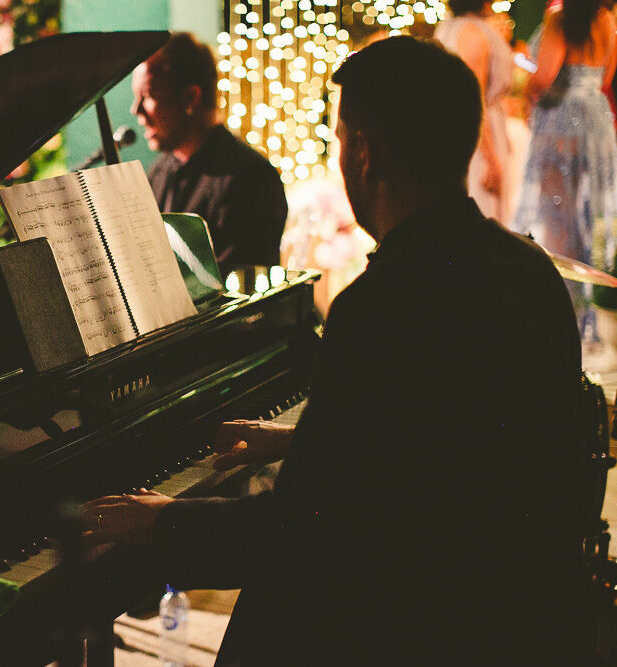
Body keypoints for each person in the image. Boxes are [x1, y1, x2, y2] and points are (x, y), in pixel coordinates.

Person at [85, 36, 588, 665]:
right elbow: (447, 438)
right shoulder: (528, 272)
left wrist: (163, 523)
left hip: (417, 618)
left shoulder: (380, 306)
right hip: (517, 606)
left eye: (338, 139)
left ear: (366, 154)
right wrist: (296, 439)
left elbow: (303, 530)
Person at [132, 33, 288, 273]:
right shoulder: (159, 172)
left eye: (149, 95)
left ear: (190, 97)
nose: (136, 110)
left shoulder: (250, 178)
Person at [513, 0, 617, 344]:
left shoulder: (559, 19)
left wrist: (527, 84)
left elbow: (544, 75)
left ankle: (568, 319)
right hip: (597, 121)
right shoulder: (606, 19)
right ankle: (589, 318)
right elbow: (607, 75)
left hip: (560, 122)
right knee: (591, 219)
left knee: (559, 221)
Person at [435, 0, 514, 222]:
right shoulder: (472, 34)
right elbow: (473, 99)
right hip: (477, 136)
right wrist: (490, 157)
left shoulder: (454, 26)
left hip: (476, 128)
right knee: (482, 210)